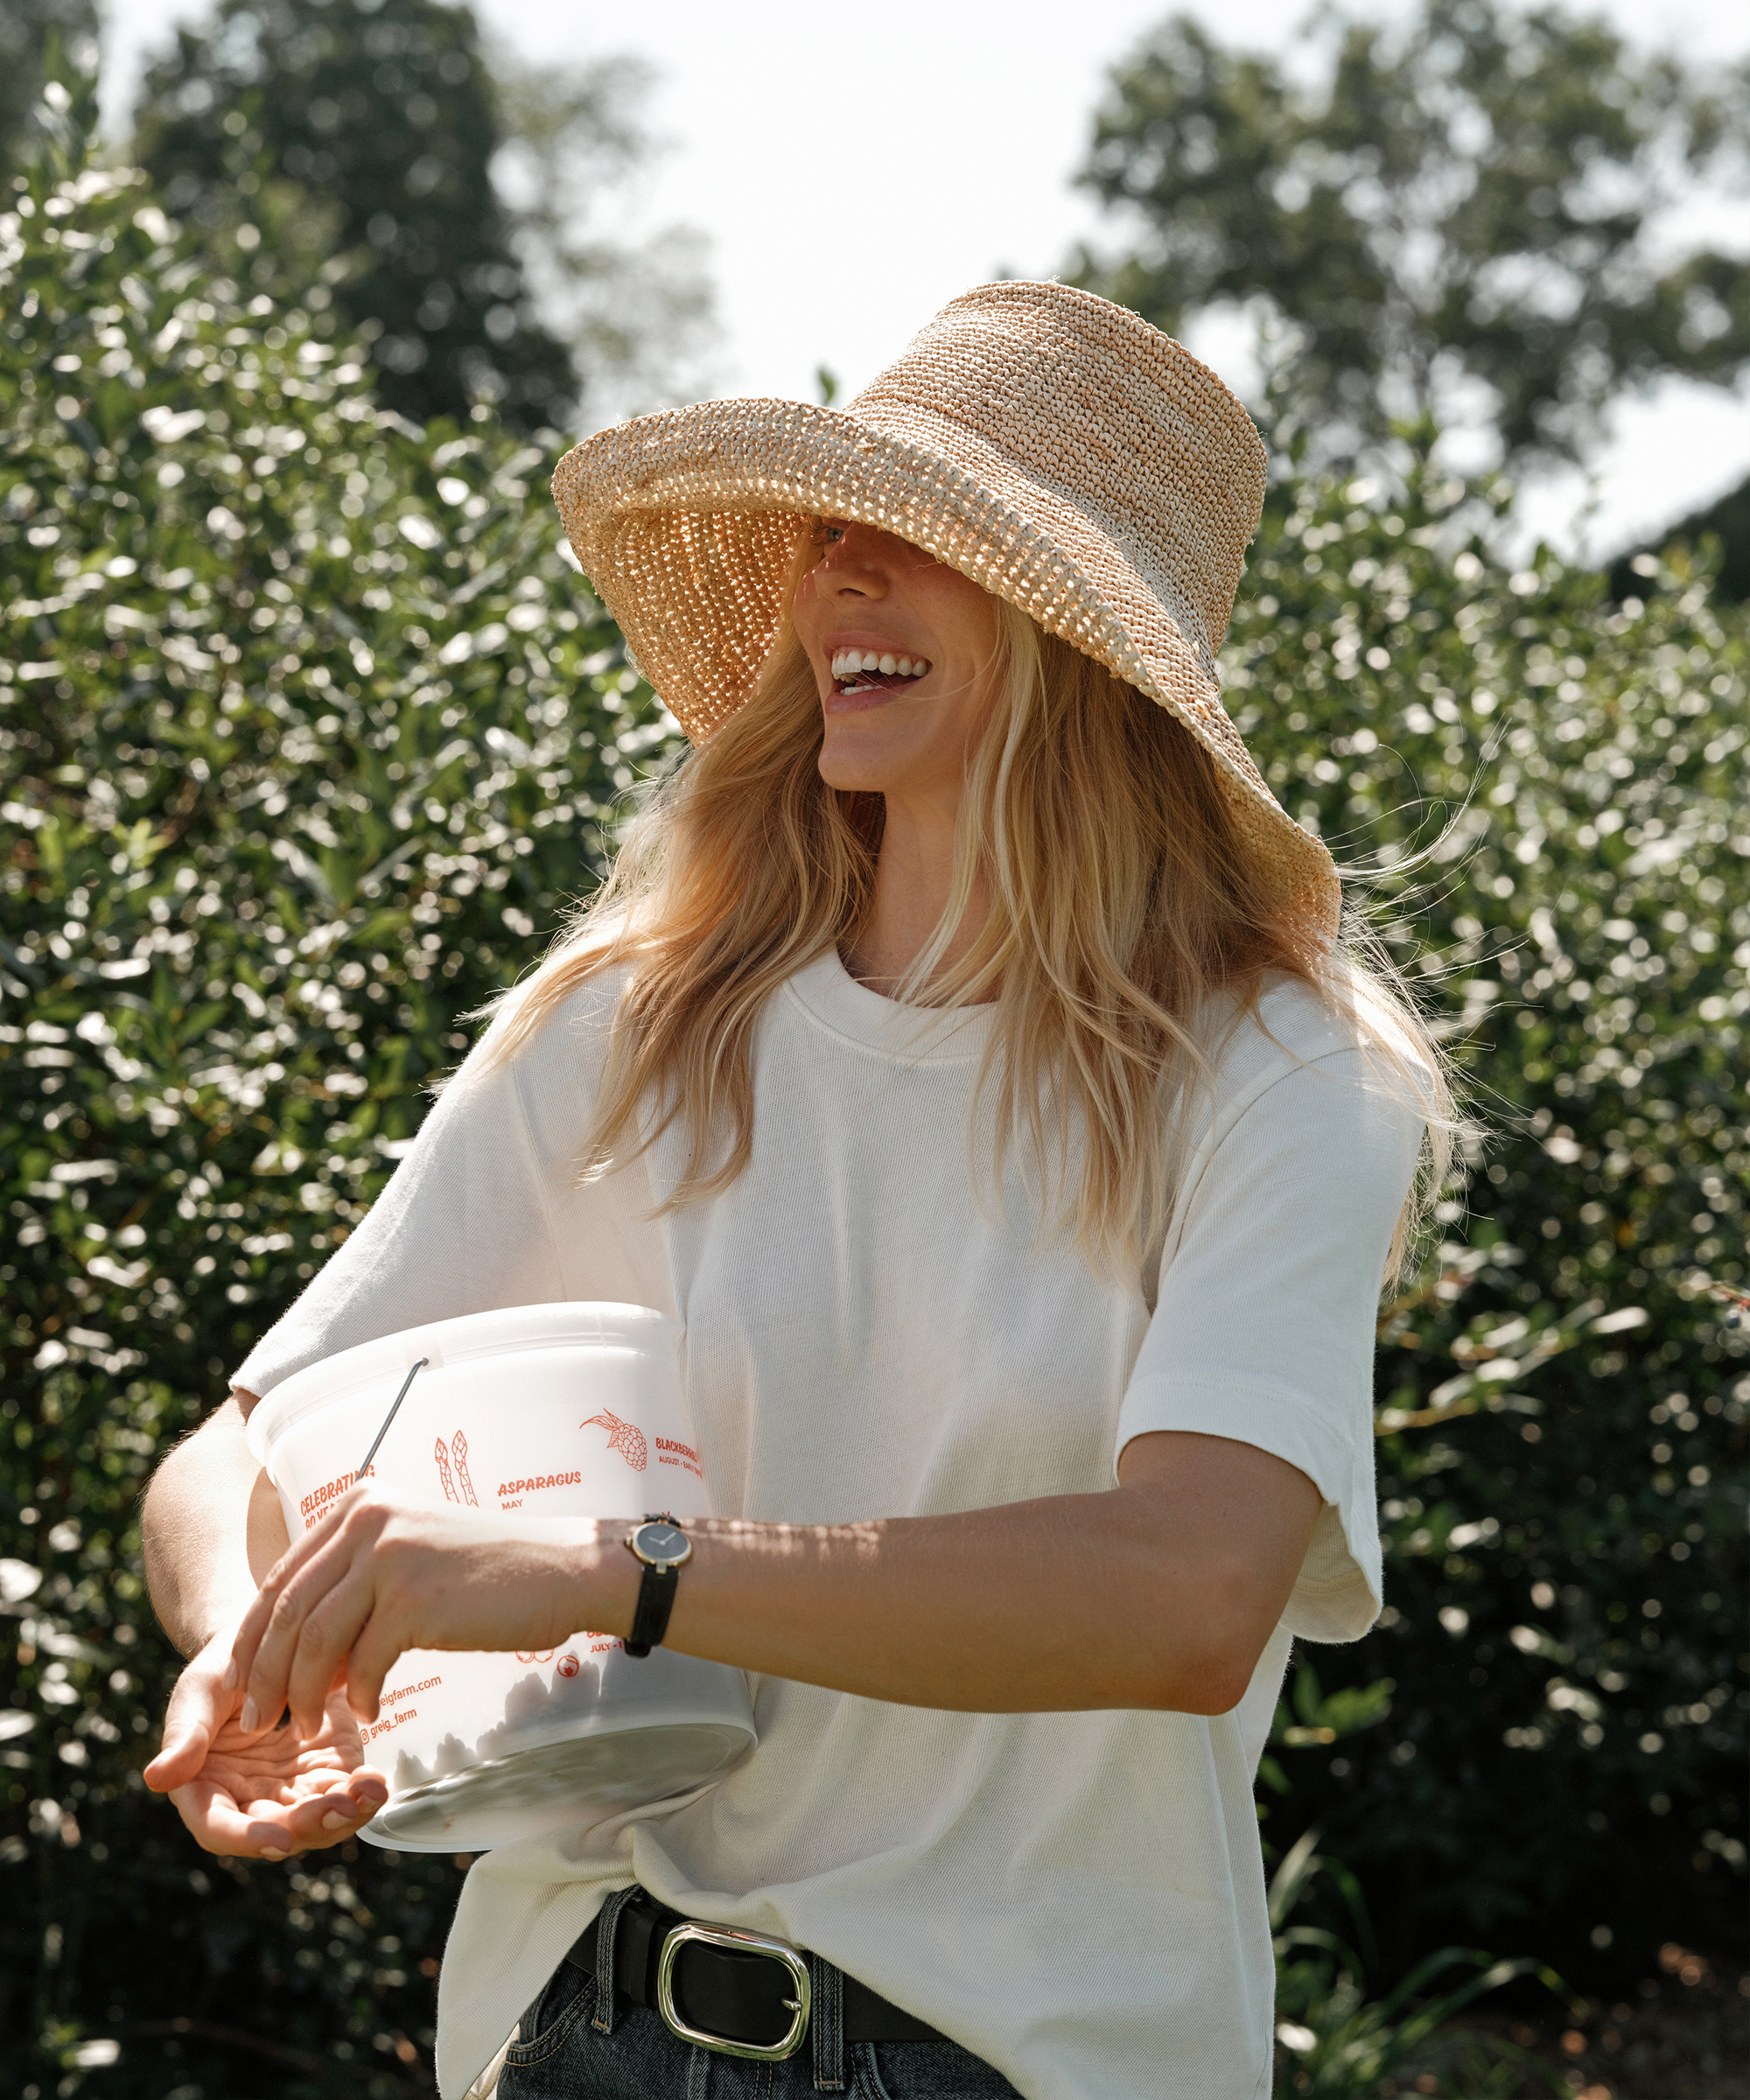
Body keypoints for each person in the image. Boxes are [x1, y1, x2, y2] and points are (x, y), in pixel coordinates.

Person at [142, 281, 1447, 2100]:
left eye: (913, 538)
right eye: (828, 531)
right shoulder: (637, 1023)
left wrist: (603, 1572)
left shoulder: (1282, 1075)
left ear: (1084, 643)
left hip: (1020, 2062)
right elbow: (230, 1458)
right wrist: (258, 1647)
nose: (838, 578)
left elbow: (1185, 1593)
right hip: (570, 2037)